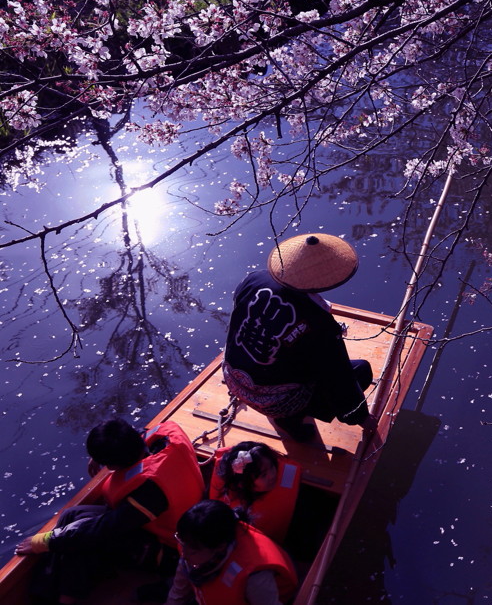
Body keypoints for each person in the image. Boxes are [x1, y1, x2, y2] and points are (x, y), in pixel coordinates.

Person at [15, 418, 205, 603]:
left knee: (83, 539)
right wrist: (99, 458)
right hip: (157, 523)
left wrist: (44, 541)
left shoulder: (150, 490)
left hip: (169, 551)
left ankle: (65, 599)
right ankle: (44, 592)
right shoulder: (164, 437)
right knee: (70, 515)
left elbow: (101, 528)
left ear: (112, 465)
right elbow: (135, 435)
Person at [223, 233, 374, 441]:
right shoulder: (319, 323)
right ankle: (290, 421)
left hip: (232, 377)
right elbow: (340, 380)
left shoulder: (254, 279)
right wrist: (361, 418)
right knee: (361, 371)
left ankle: (287, 414)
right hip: (272, 399)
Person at [165, 499, 298, 605]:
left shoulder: (254, 576)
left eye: (193, 551)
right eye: (182, 543)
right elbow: (179, 590)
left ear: (220, 547)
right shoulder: (192, 540)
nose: (184, 554)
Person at [209, 441, 300, 544]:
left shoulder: (286, 473)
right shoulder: (227, 489)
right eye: (263, 475)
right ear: (243, 484)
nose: (272, 475)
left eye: (271, 467)